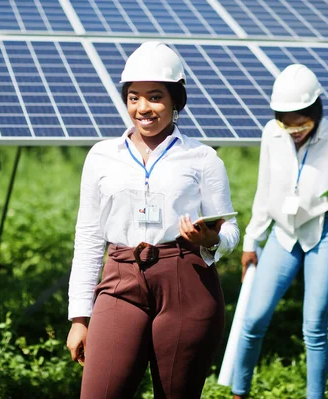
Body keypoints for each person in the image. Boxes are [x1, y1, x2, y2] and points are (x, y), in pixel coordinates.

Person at [65, 41, 240, 398]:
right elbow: (88, 237)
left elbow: (230, 229)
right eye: (134, 97)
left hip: (186, 284)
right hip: (120, 280)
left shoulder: (203, 159)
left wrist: (209, 241)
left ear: (176, 100)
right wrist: (80, 318)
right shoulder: (101, 156)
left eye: (155, 96)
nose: (143, 108)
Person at [230, 64, 328, 399]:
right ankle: (238, 392)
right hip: (283, 233)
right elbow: (264, 189)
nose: (294, 130)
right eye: (286, 121)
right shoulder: (271, 134)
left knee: (314, 327)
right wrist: (251, 241)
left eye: (301, 122)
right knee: (253, 319)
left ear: (316, 111)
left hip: (323, 229)